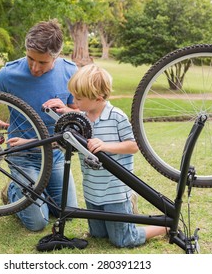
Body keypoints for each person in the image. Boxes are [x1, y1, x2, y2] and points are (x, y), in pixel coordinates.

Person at [0, 19, 78, 232]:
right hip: (22, 154)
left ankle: (37, 193)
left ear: (56, 56)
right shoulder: (8, 73)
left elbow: (80, 114)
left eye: (42, 63)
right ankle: (13, 191)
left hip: (55, 154)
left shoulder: (70, 71)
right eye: (30, 59)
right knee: (38, 223)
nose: (34, 67)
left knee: (68, 212)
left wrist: (67, 110)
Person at [67, 64, 168, 248]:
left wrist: (106, 146)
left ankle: (163, 228)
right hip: (92, 189)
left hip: (115, 191)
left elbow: (134, 145)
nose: (74, 101)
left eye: (78, 98)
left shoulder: (116, 117)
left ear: (98, 98)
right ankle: (125, 219)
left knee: (122, 240)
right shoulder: (81, 118)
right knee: (98, 235)